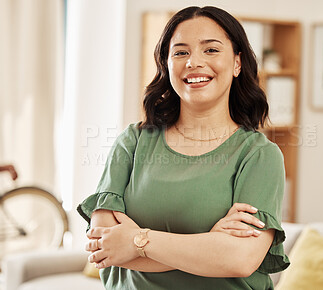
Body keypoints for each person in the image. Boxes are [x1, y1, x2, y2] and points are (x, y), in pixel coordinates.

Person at [77, 6, 289, 290]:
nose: (194, 62)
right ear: (166, 65)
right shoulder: (134, 142)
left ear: (237, 63)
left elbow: (239, 259)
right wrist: (208, 244)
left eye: (211, 50)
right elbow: (105, 246)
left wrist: (137, 240)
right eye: (180, 52)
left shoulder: (259, 155)